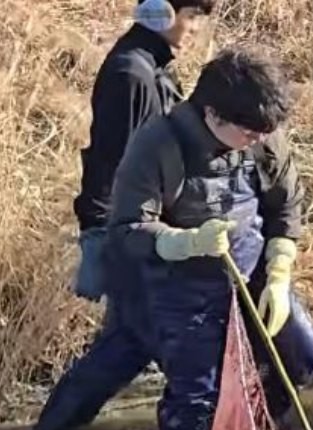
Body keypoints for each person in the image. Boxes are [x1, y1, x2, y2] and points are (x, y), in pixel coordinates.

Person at [45, 47, 313, 430]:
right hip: (168, 284)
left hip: (248, 275)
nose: (259, 140)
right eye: (249, 133)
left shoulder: (262, 133)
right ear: (213, 115)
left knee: (303, 353)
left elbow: (285, 206)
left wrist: (280, 272)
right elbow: (127, 230)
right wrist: (187, 242)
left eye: (264, 133)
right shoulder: (158, 143)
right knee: (188, 398)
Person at [71, 0, 213, 302]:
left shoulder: (154, 67)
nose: (197, 29)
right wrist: (100, 239)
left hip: (148, 229)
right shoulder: (132, 75)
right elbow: (110, 162)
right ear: (161, 11)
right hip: (129, 235)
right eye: (193, 17)